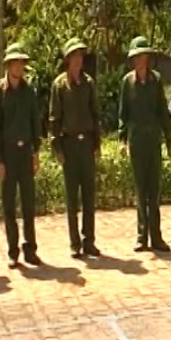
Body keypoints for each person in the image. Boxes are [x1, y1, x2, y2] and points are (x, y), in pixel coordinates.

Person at [118, 36, 171, 252]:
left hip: (153, 141)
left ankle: (157, 236)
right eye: (138, 58)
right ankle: (142, 236)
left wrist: (169, 140)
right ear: (133, 60)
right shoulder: (127, 82)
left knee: (154, 190)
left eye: (145, 57)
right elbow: (123, 114)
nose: (142, 61)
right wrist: (122, 140)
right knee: (140, 190)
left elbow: (163, 111)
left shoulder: (156, 80)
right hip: (136, 141)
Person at [0, 42, 42, 268]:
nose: (19, 67)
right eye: (16, 63)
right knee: (9, 205)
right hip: (8, 154)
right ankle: (13, 251)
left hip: (25, 152)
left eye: (22, 63)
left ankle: (30, 249)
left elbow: (35, 122)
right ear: (9, 65)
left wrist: (36, 152)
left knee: (28, 204)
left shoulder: (29, 91)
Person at [49, 37, 102, 259]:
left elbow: (95, 114)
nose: (78, 60)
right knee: (72, 198)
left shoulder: (88, 83)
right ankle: (74, 243)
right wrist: (57, 149)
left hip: (86, 144)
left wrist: (97, 144)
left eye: (81, 56)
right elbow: (54, 120)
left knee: (89, 196)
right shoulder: (59, 85)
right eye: (74, 56)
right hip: (69, 144)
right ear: (67, 60)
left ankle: (89, 240)